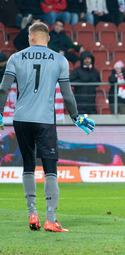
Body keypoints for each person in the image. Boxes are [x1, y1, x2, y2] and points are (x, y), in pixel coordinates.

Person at [0, 22, 94, 232]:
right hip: (44, 120)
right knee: (50, 169)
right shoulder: (60, 59)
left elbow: (3, 89)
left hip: (21, 118)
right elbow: (67, 95)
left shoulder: (16, 58)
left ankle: (32, 212)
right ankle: (51, 219)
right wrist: (76, 116)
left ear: (31, 37)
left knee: (28, 165)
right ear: (48, 38)